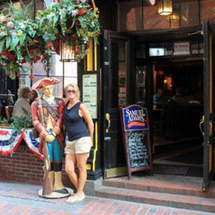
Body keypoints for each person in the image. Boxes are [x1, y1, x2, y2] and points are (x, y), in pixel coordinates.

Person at [31, 77, 69, 198]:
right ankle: (49, 183)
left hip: (56, 136)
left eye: (51, 88)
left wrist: (54, 133)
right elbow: (35, 120)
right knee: (48, 159)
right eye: (47, 89)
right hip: (45, 136)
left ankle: (58, 183)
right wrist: (44, 133)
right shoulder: (36, 103)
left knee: (58, 158)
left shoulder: (59, 102)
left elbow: (61, 118)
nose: (49, 91)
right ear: (42, 90)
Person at [63, 83, 94, 203]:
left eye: (73, 91)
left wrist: (90, 140)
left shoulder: (80, 106)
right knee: (69, 169)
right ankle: (80, 192)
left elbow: (90, 124)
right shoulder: (66, 105)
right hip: (70, 140)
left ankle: (79, 193)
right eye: (68, 91)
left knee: (81, 167)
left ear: (77, 92)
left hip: (82, 139)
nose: (71, 92)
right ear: (66, 93)